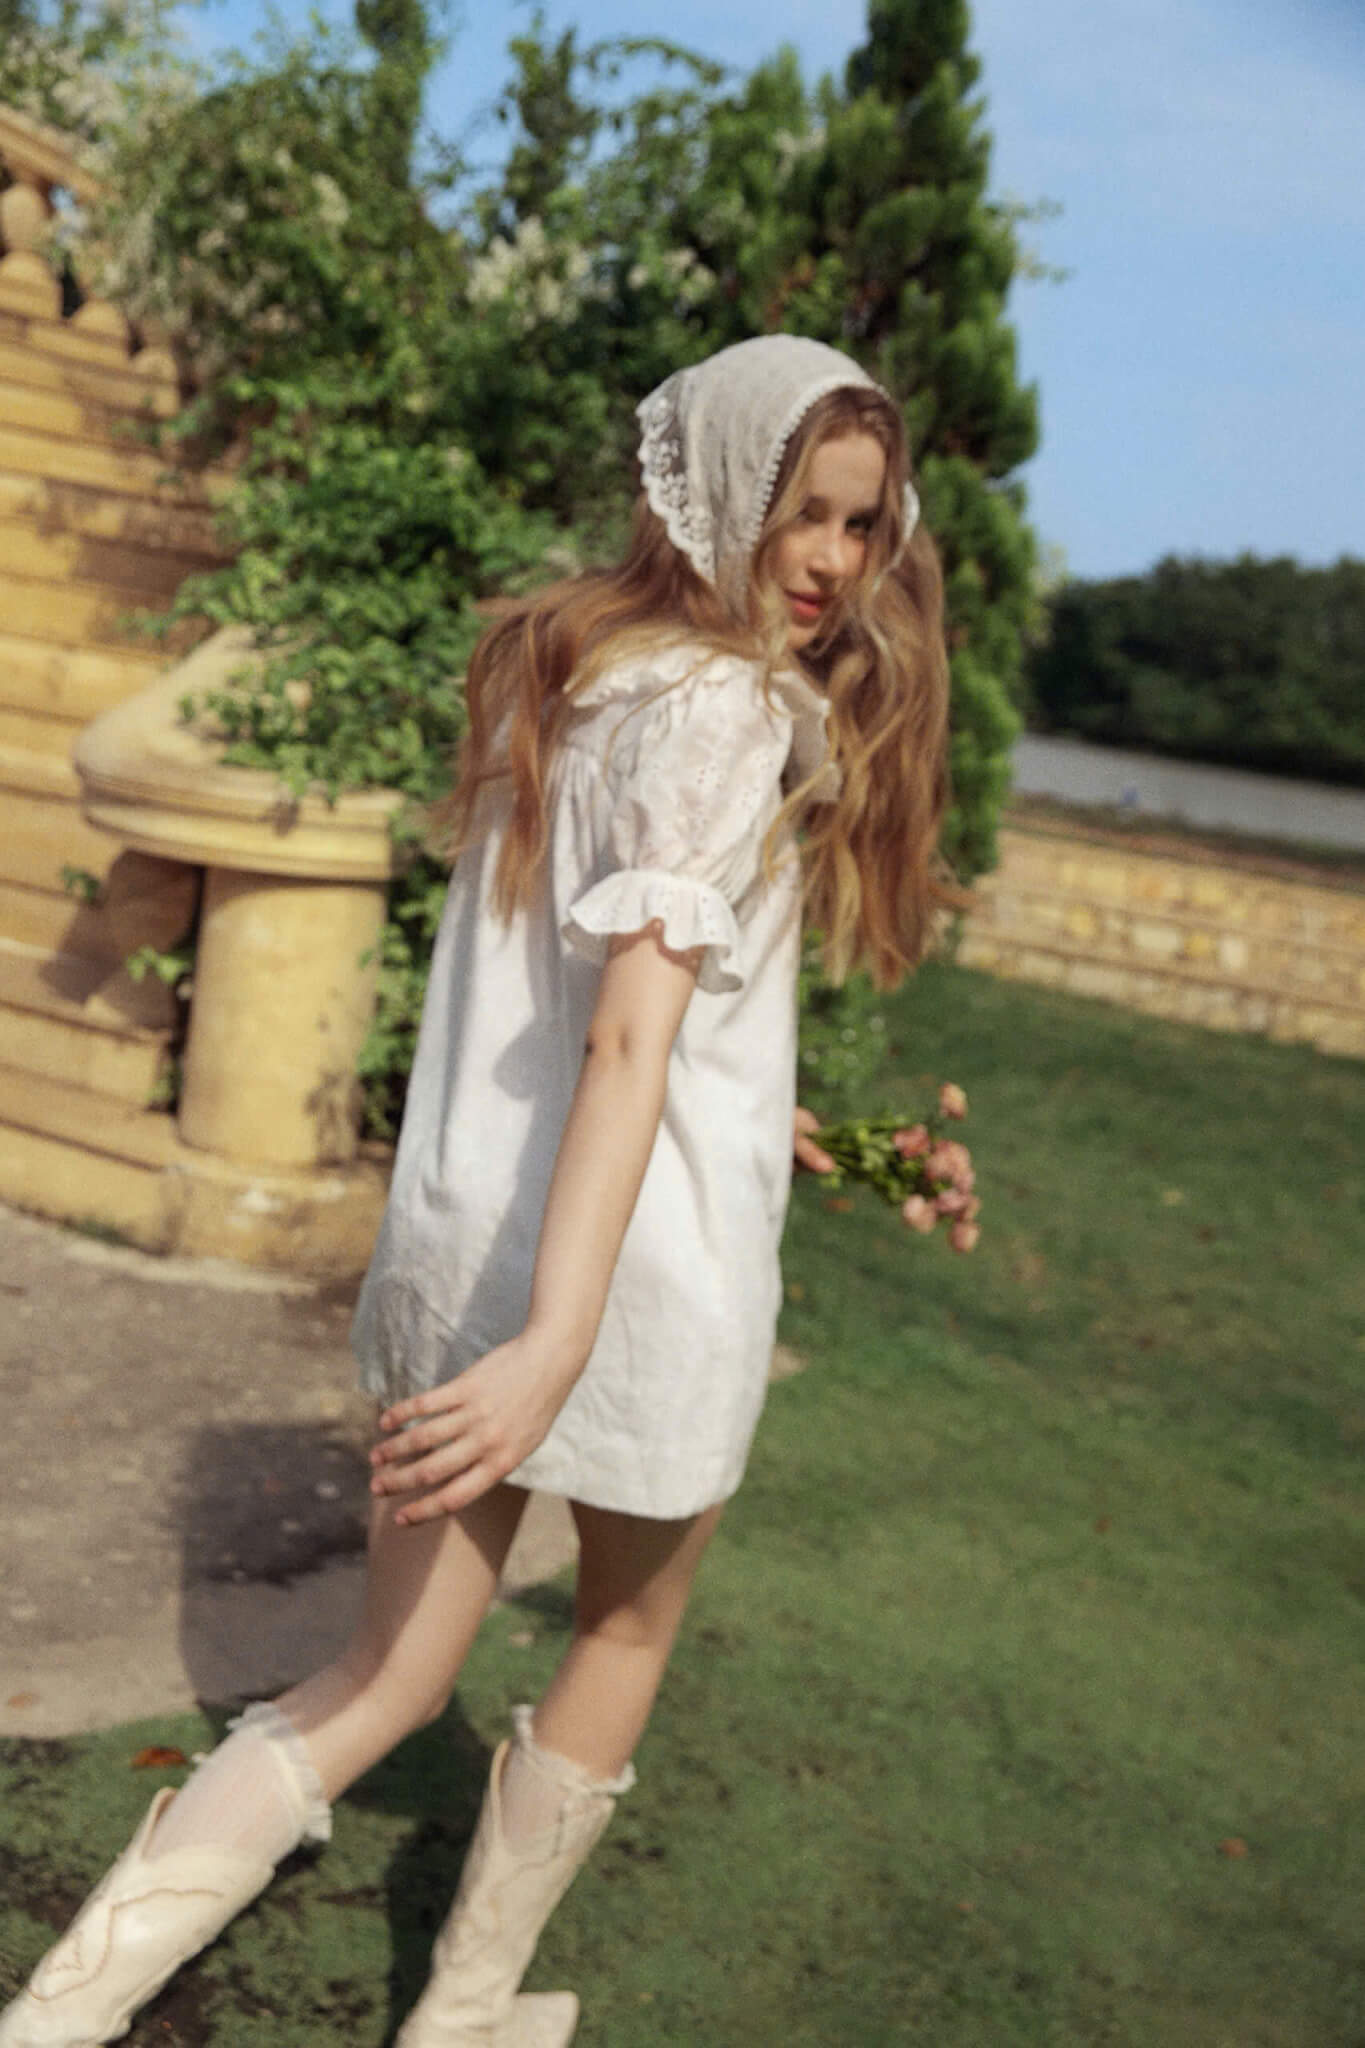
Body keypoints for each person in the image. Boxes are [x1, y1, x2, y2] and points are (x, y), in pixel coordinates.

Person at [0, 333, 952, 2048]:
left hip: (472, 1241)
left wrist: (789, 1123)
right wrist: (554, 1348)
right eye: (800, 510)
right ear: (715, 491)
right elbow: (624, 1043)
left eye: (859, 523)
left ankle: (50, 2023)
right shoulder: (727, 711)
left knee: (377, 1679)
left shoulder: (570, 666)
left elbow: (613, 1016)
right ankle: (457, 2023)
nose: (829, 560)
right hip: (628, 1282)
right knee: (624, 1634)